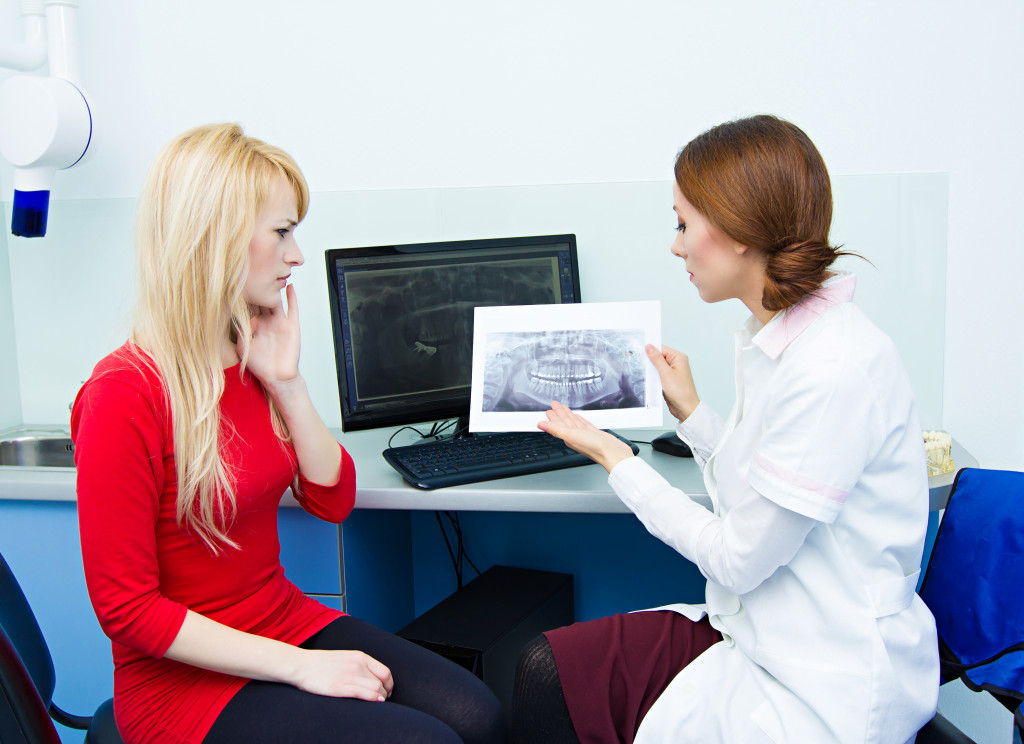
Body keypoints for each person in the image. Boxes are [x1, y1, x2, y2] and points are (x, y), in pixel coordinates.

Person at [510, 115, 939, 744]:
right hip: (770, 634)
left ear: (738, 231)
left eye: (684, 224)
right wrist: (694, 414)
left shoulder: (832, 367)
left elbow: (737, 558)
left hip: (825, 681)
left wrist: (614, 457)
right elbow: (763, 488)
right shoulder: (784, 339)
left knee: (550, 675)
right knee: (548, 668)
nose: (676, 246)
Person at [71, 123, 505, 744]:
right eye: (282, 232)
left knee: (479, 714)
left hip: (278, 619)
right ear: (215, 238)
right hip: (179, 686)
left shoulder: (246, 358)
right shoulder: (125, 392)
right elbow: (126, 610)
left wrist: (286, 380)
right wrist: (303, 668)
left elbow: (332, 502)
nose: (297, 255)